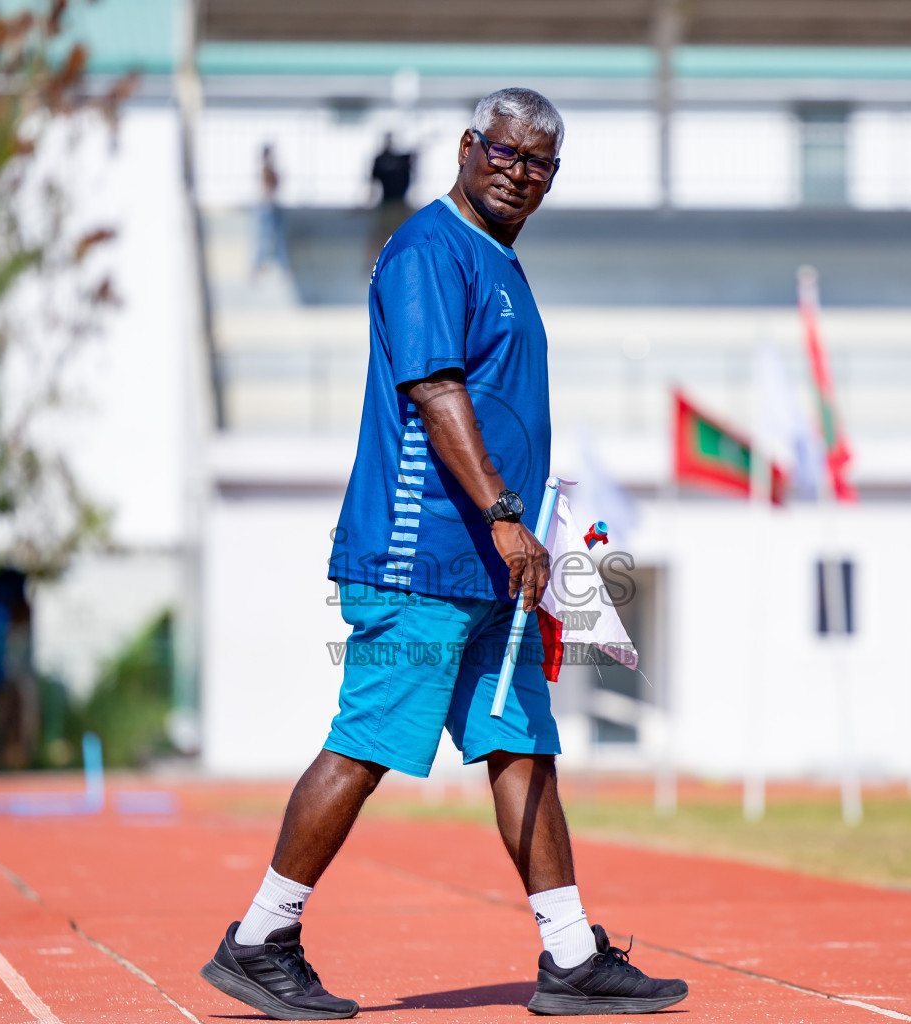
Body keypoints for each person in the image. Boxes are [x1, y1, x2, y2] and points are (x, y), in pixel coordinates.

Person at [196, 88, 688, 1020]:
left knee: (522, 749)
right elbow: (436, 390)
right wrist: (505, 512)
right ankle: (262, 935)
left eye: (539, 163)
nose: (520, 173)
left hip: (490, 567)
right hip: (421, 556)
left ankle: (571, 954)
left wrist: (517, 534)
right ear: (468, 148)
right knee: (367, 743)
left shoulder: (499, 260)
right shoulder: (429, 249)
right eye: (504, 153)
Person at [368, 132, 417, 264]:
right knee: (382, 233)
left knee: (405, 233)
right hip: (387, 203)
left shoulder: (401, 159)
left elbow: (413, 163)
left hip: (400, 203)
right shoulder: (380, 160)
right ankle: (377, 261)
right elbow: (372, 183)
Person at [253, 143, 288, 279]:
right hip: (267, 206)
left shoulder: (270, 169)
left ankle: (279, 265)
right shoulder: (264, 169)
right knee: (265, 237)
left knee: (277, 237)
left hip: (272, 205)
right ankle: (260, 265)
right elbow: (265, 188)